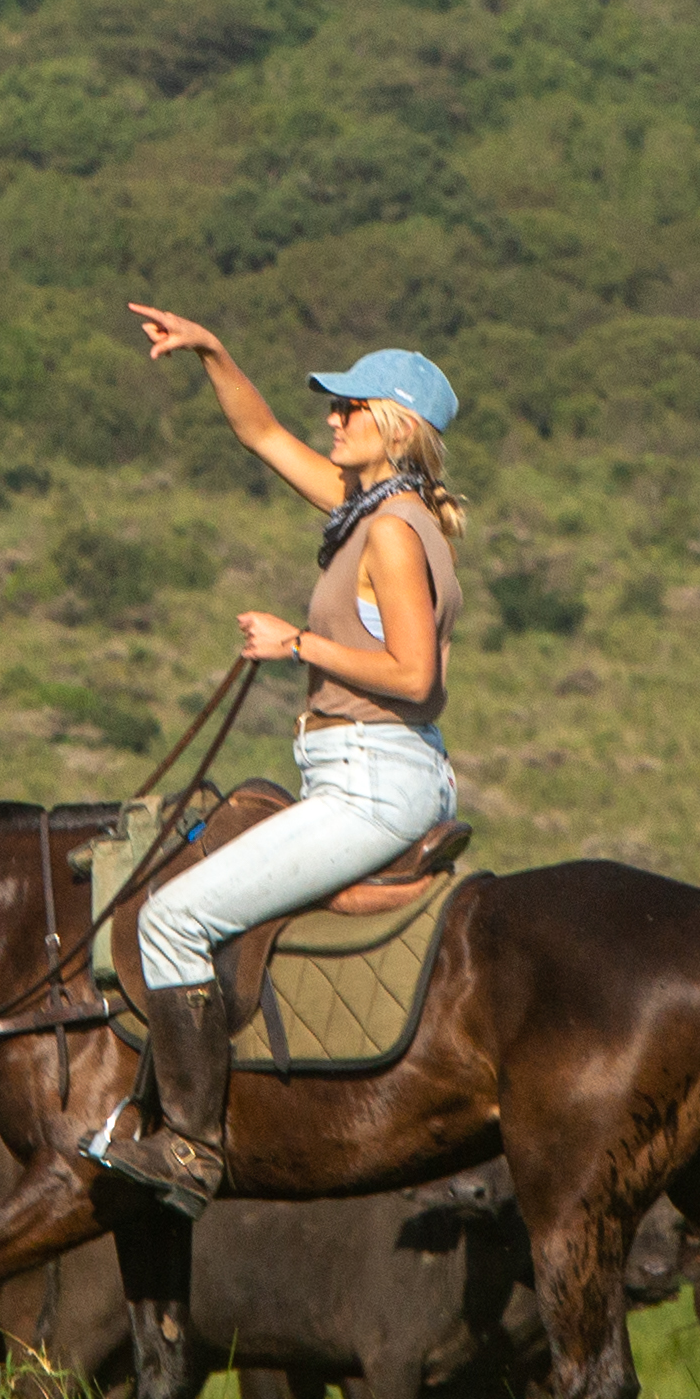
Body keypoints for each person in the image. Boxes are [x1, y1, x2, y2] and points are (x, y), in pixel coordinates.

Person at [84, 304, 467, 1211]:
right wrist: (213, 348)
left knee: (169, 920)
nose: (330, 420)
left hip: (376, 777)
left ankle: (189, 1148)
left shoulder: (388, 529)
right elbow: (258, 430)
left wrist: (298, 643)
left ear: (395, 426)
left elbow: (413, 675)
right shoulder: (371, 508)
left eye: (348, 408)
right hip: (360, 768)